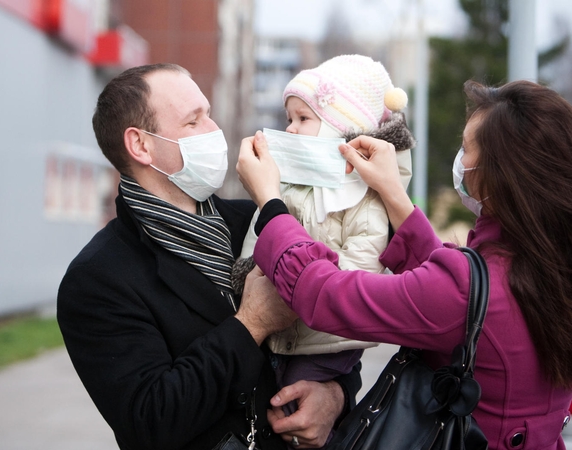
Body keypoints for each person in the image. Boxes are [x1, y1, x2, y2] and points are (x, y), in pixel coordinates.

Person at [236, 79, 572, 449]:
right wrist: (391, 191)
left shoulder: (468, 291)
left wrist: (272, 206)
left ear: (500, 175)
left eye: (467, 148)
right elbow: (463, 301)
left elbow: (325, 294)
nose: (461, 159)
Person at [56, 63, 361, 450]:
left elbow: (337, 331)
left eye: (209, 113)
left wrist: (335, 395)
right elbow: (150, 420)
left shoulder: (254, 222)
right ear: (141, 145)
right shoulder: (98, 278)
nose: (214, 130)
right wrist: (251, 324)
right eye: (193, 121)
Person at [231, 55, 414, 428]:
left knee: (297, 413)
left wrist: (303, 284)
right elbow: (259, 230)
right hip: (282, 330)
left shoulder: (364, 197)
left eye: (303, 119)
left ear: (339, 127)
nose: (291, 129)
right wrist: (247, 274)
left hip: (328, 341)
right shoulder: (287, 181)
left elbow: (363, 269)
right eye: (289, 118)